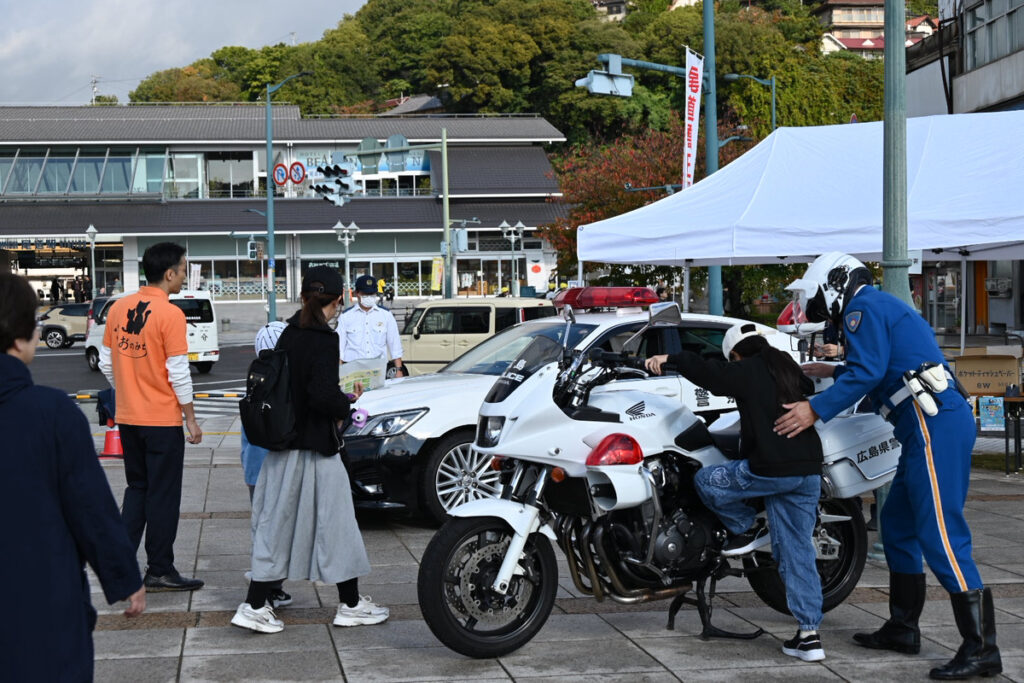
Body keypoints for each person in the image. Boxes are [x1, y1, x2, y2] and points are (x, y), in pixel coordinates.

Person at [775, 252, 1001, 680]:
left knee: (940, 532)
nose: (817, 310)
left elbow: (868, 373)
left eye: (817, 298)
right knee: (897, 525)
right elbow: (878, 368)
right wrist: (833, 368)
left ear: (835, 283)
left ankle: (982, 648)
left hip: (931, 423)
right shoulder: (876, 305)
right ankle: (902, 627)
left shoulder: (863, 307)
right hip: (926, 422)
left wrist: (813, 409)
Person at [646, 322, 826, 662]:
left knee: (706, 480)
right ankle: (809, 635)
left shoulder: (746, 369)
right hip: (807, 470)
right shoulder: (785, 367)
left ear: (736, 354)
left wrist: (670, 358)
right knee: (796, 553)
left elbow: (709, 373)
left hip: (772, 470)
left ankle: (746, 527)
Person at [0, 273, 145, 681]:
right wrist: (124, 578)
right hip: (38, 597)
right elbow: (89, 506)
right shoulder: (50, 414)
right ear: (20, 334)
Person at [232, 266, 388, 634]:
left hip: (283, 447)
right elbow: (320, 394)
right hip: (317, 450)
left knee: (275, 526)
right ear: (336, 302)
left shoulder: (288, 333)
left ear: (303, 297)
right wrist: (346, 405)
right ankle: (348, 604)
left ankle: (257, 604)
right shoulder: (323, 339)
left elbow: (296, 387)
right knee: (337, 525)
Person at [99, 242, 204, 593]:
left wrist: (127, 389)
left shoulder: (118, 306)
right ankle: (159, 569)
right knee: (163, 495)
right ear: (169, 273)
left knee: (137, 489)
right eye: (184, 269)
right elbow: (178, 372)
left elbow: (104, 361)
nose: (185, 275)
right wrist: (190, 418)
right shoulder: (171, 314)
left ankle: (119, 562)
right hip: (161, 421)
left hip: (128, 418)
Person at [239, 320, 291, 607]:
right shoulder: (279, 383)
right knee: (272, 530)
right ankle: (265, 591)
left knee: (264, 527)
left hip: (254, 470)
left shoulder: (254, 379)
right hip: (271, 468)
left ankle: (272, 586)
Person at [337, 274, 403, 374]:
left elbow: (395, 345)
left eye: (372, 294)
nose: (369, 297)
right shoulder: (346, 317)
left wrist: (399, 370)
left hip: (378, 370)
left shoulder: (386, 315)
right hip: (352, 371)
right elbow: (339, 348)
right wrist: (339, 373)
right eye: (365, 294)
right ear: (357, 293)